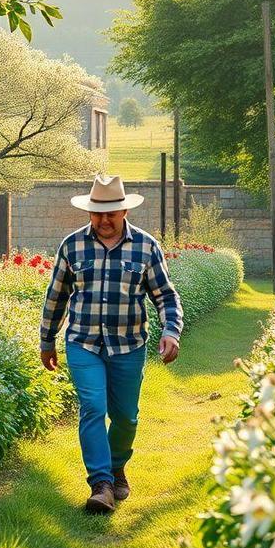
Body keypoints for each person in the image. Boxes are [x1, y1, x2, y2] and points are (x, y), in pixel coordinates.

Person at [40, 174, 183, 514]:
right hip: (83, 342)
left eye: (111, 214)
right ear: (89, 213)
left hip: (128, 345)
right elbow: (56, 296)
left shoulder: (146, 247)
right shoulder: (72, 246)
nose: (104, 220)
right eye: (97, 214)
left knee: (126, 417)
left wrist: (171, 330)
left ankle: (117, 466)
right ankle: (101, 484)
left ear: (124, 212)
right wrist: (47, 340)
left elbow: (165, 295)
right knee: (92, 407)